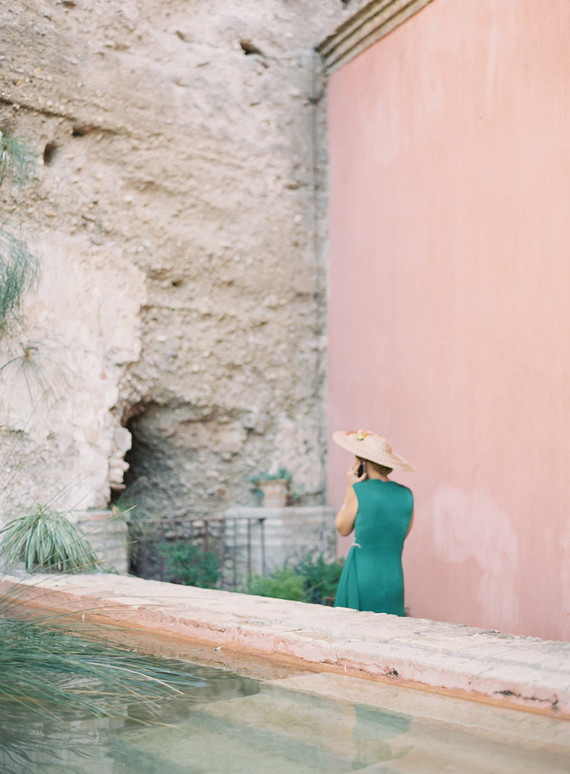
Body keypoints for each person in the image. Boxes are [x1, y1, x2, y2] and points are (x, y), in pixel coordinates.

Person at [332, 430, 415, 616]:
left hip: (362, 574)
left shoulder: (359, 490)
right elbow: (401, 533)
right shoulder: (407, 494)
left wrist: (350, 488)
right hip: (393, 577)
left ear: (363, 463)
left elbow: (342, 528)